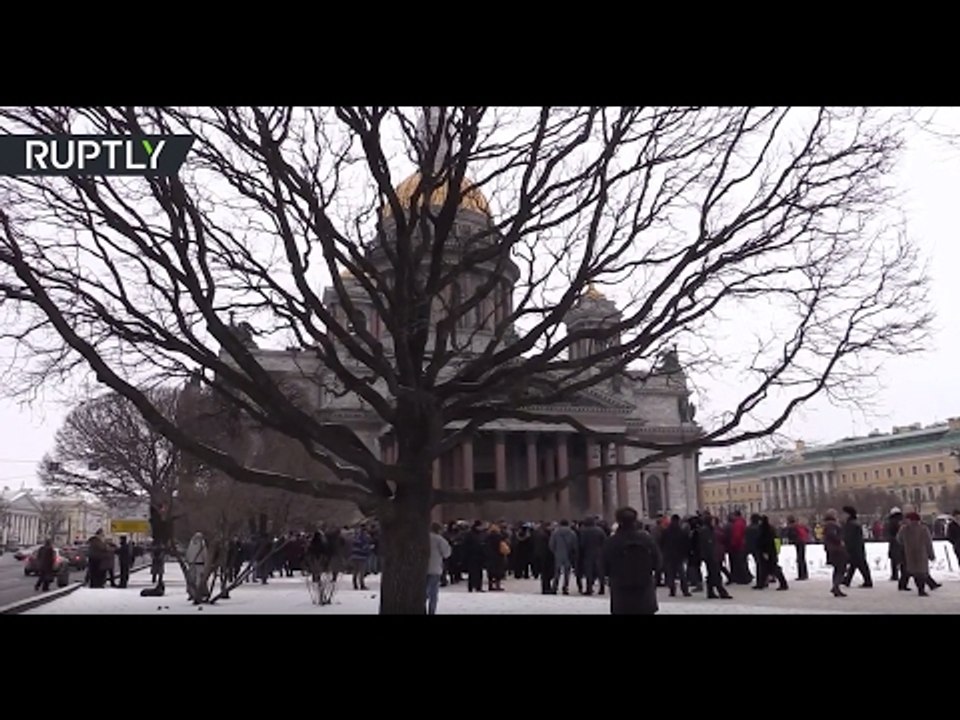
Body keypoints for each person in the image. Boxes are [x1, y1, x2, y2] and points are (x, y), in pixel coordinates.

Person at [602, 507, 661, 615]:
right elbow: (657, 561)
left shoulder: (612, 541)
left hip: (621, 590)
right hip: (644, 587)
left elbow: (603, 565)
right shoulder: (646, 539)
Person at [897, 511, 935, 596]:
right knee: (921, 572)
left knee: (915, 572)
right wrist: (931, 554)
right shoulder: (923, 528)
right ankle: (921, 590)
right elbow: (928, 543)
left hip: (910, 553)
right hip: (922, 554)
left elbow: (899, 539)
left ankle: (921, 589)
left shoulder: (904, 529)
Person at [841, 506, 873, 588]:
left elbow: (849, 537)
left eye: (844, 513)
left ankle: (868, 581)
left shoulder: (851, 524)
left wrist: (846, 546)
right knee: (855, 564)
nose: (842, 515)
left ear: (848, 514)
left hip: (854, 548)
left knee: (860, 564)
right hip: (857, 547)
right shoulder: (854, 523)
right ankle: (848, 580)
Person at [754, 516, 788, 591]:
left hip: (767, 551)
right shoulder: (770, 529)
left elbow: (764, 541)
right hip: (771, 551)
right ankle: (762, 583)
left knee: (771, 567)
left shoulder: (763, 530)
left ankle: (782, 583)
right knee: (767, 568)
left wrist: (765, 551)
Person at [661, 514, 691, 597]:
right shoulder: (681, 531)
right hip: (679, 556)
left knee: (671, 574)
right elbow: (686, 544)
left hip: (669, 555)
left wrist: (664, 552)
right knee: (682, 574)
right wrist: (685, 554)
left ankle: (672, 590)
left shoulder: (666, 531)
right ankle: (685, 590)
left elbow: (661, 542)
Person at [578, 517, 607, 596]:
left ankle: (589, 588)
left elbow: (582, 543)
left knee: (589, 572)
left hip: (588, 553)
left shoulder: (583, 531)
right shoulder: (600, 530)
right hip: (599, 552)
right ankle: (602, 588)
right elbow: (605, 541)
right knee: (600, 571)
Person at [822, 509, 848, 597]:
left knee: (837, 568)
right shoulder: (832, 525)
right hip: (837, 549)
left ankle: (836, 586)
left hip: (832, 549)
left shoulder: (826, 524)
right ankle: (836, 586)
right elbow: (832, 535)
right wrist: (839, 540)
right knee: (841, 568)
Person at [549, 519, 578, 595]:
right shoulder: (572, 533)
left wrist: (555, 552)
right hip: (568, 555)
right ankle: (565, 587)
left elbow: (551, 544)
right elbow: (575, 545)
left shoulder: (555, 533)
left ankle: (554, 587)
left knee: (557, 572)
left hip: (558, 554)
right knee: (567, 573)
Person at [427, 523, 451, 615]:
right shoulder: (440, 539)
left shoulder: (423, 538)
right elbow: (447, 553)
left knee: (423, 590)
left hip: (422, 569)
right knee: (433, 593)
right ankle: (431, 611)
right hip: (435, 567)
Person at [785, 515, 809, 581]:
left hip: (798, 542)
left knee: (800, 559)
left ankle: (801, 575)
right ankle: (805, 574)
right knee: (802, 558)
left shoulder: (792, 527)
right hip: (802, 541)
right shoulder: (799, 525)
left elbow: (791, 535)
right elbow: (807, 530)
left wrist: (791, 539)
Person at [886, 507, 905, 583]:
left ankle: (895, 575)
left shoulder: (891, 521)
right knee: (903, 559)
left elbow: (889, 532)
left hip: (894, 542)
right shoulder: (902, 521)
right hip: (902, 542)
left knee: (894, 559)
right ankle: (903, 574)